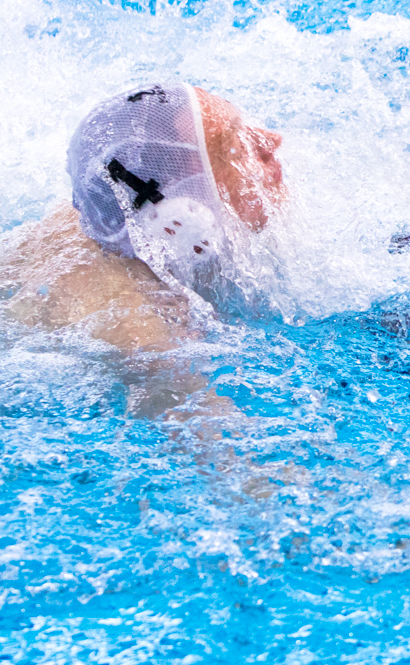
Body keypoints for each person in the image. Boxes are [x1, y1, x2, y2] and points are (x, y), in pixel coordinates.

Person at [1, 83, 285, 419]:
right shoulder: (131, 327)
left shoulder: (108, 216)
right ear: (181, 216)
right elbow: (209, 438)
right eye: (238, 146)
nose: (271, 140)